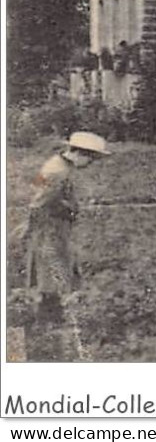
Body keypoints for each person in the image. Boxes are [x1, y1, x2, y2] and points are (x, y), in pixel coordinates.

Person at [21, 131, 108, 360]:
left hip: (55, 226)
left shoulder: (57, 165)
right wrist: (31, 227)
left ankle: (51, 314)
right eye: (91, 159)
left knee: (56, 269)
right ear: (80, 153)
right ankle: (48, 320)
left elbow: (35, 186)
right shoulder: (57, 171)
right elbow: (38, 202)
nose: (90, 164)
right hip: (50, 228)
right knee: (52, 269)